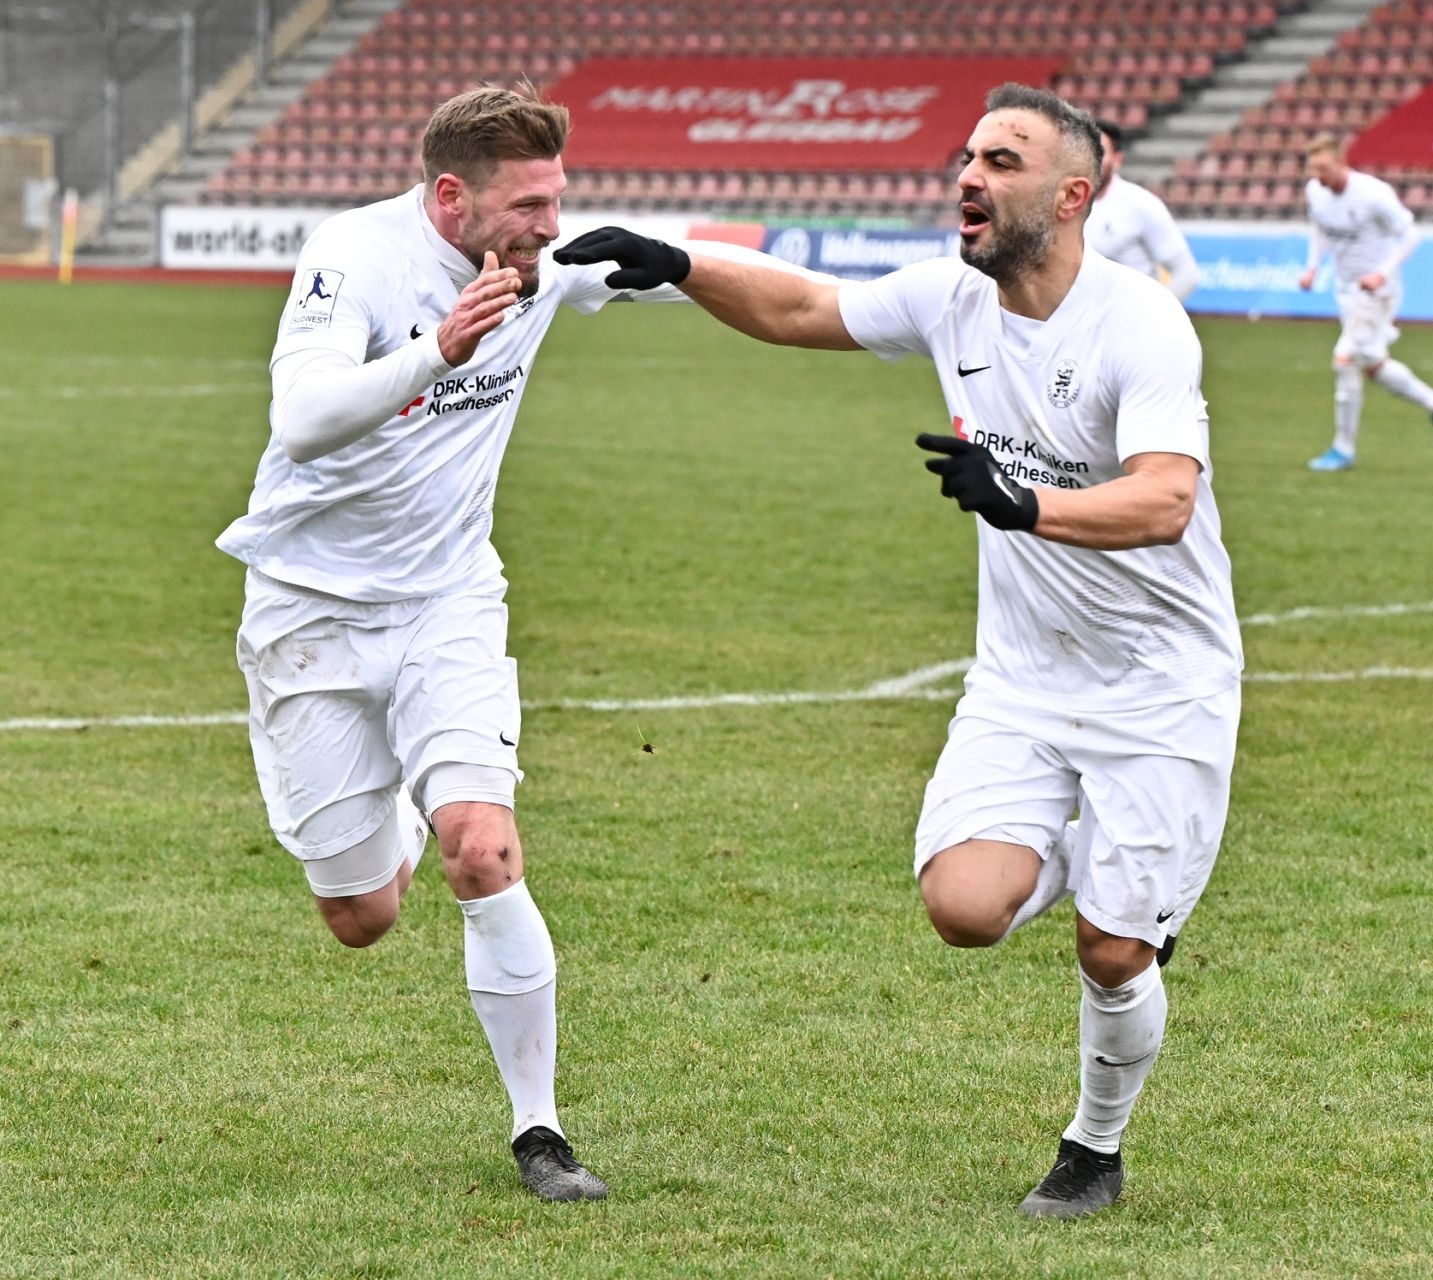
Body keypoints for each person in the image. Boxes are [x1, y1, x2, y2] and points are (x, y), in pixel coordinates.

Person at [556, 82, 1242, 1221]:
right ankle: (1095, 849)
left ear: (1074, 195)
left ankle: (1093, 1146)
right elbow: (801, 308)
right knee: (964, 907)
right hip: (1025, 678)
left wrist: (1023, 504)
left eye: (1003, 160)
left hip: (1160, 686)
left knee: (1116, 952)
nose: (970, 177)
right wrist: (680, 260)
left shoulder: (1139, 323)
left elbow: (1166, 499)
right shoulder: (950, 298)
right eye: (968, 155)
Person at [217, 87, 798, 1199]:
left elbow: (755, 288)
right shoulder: (355, 256)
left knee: (481, 846)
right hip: (311, 611)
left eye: (557, 200)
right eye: (529, 203)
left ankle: (541, 1131)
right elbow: (300, 418)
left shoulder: (545, 257)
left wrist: (678, 259)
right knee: (360, 915)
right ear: (451, 196)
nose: (547, 222)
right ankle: (389, 802)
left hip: (448, 603)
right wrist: (437, 350)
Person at [1296, 133, 1433, 471]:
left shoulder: (1373, 194)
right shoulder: (1316, 192)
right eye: (1314, 169)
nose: (1318, 177)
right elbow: (1319, 227)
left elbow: (1412, 235)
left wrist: (1382, 272)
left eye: (1324, 168)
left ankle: (1343, 449)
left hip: (1376, 292)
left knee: (1344, 359)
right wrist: (1312, 266)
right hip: (1345, 290)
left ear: (1342, 162)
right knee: (1371, 364)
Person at [1086, 118, 1199, 301]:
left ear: (1118, 159)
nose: (1092, 160)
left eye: (1100, 152)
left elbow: (1186, 274)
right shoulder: (1061, 204)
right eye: (1085, 152)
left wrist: (1152, 315)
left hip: (1126, 323)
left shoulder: (1141, 204)